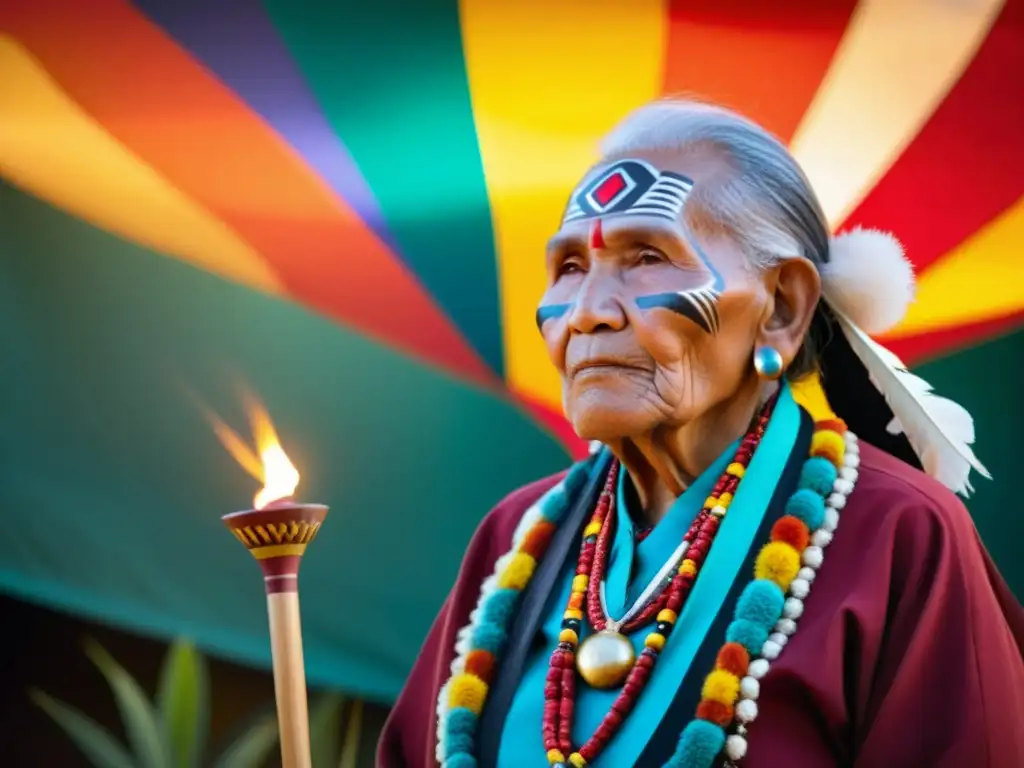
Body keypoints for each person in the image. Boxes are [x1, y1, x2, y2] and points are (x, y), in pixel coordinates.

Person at [377, 99, 1024, 768]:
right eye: (570, 268)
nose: (588, 313)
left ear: (782, 307)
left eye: (647, 257)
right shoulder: (515, 539)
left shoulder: (900, 536)